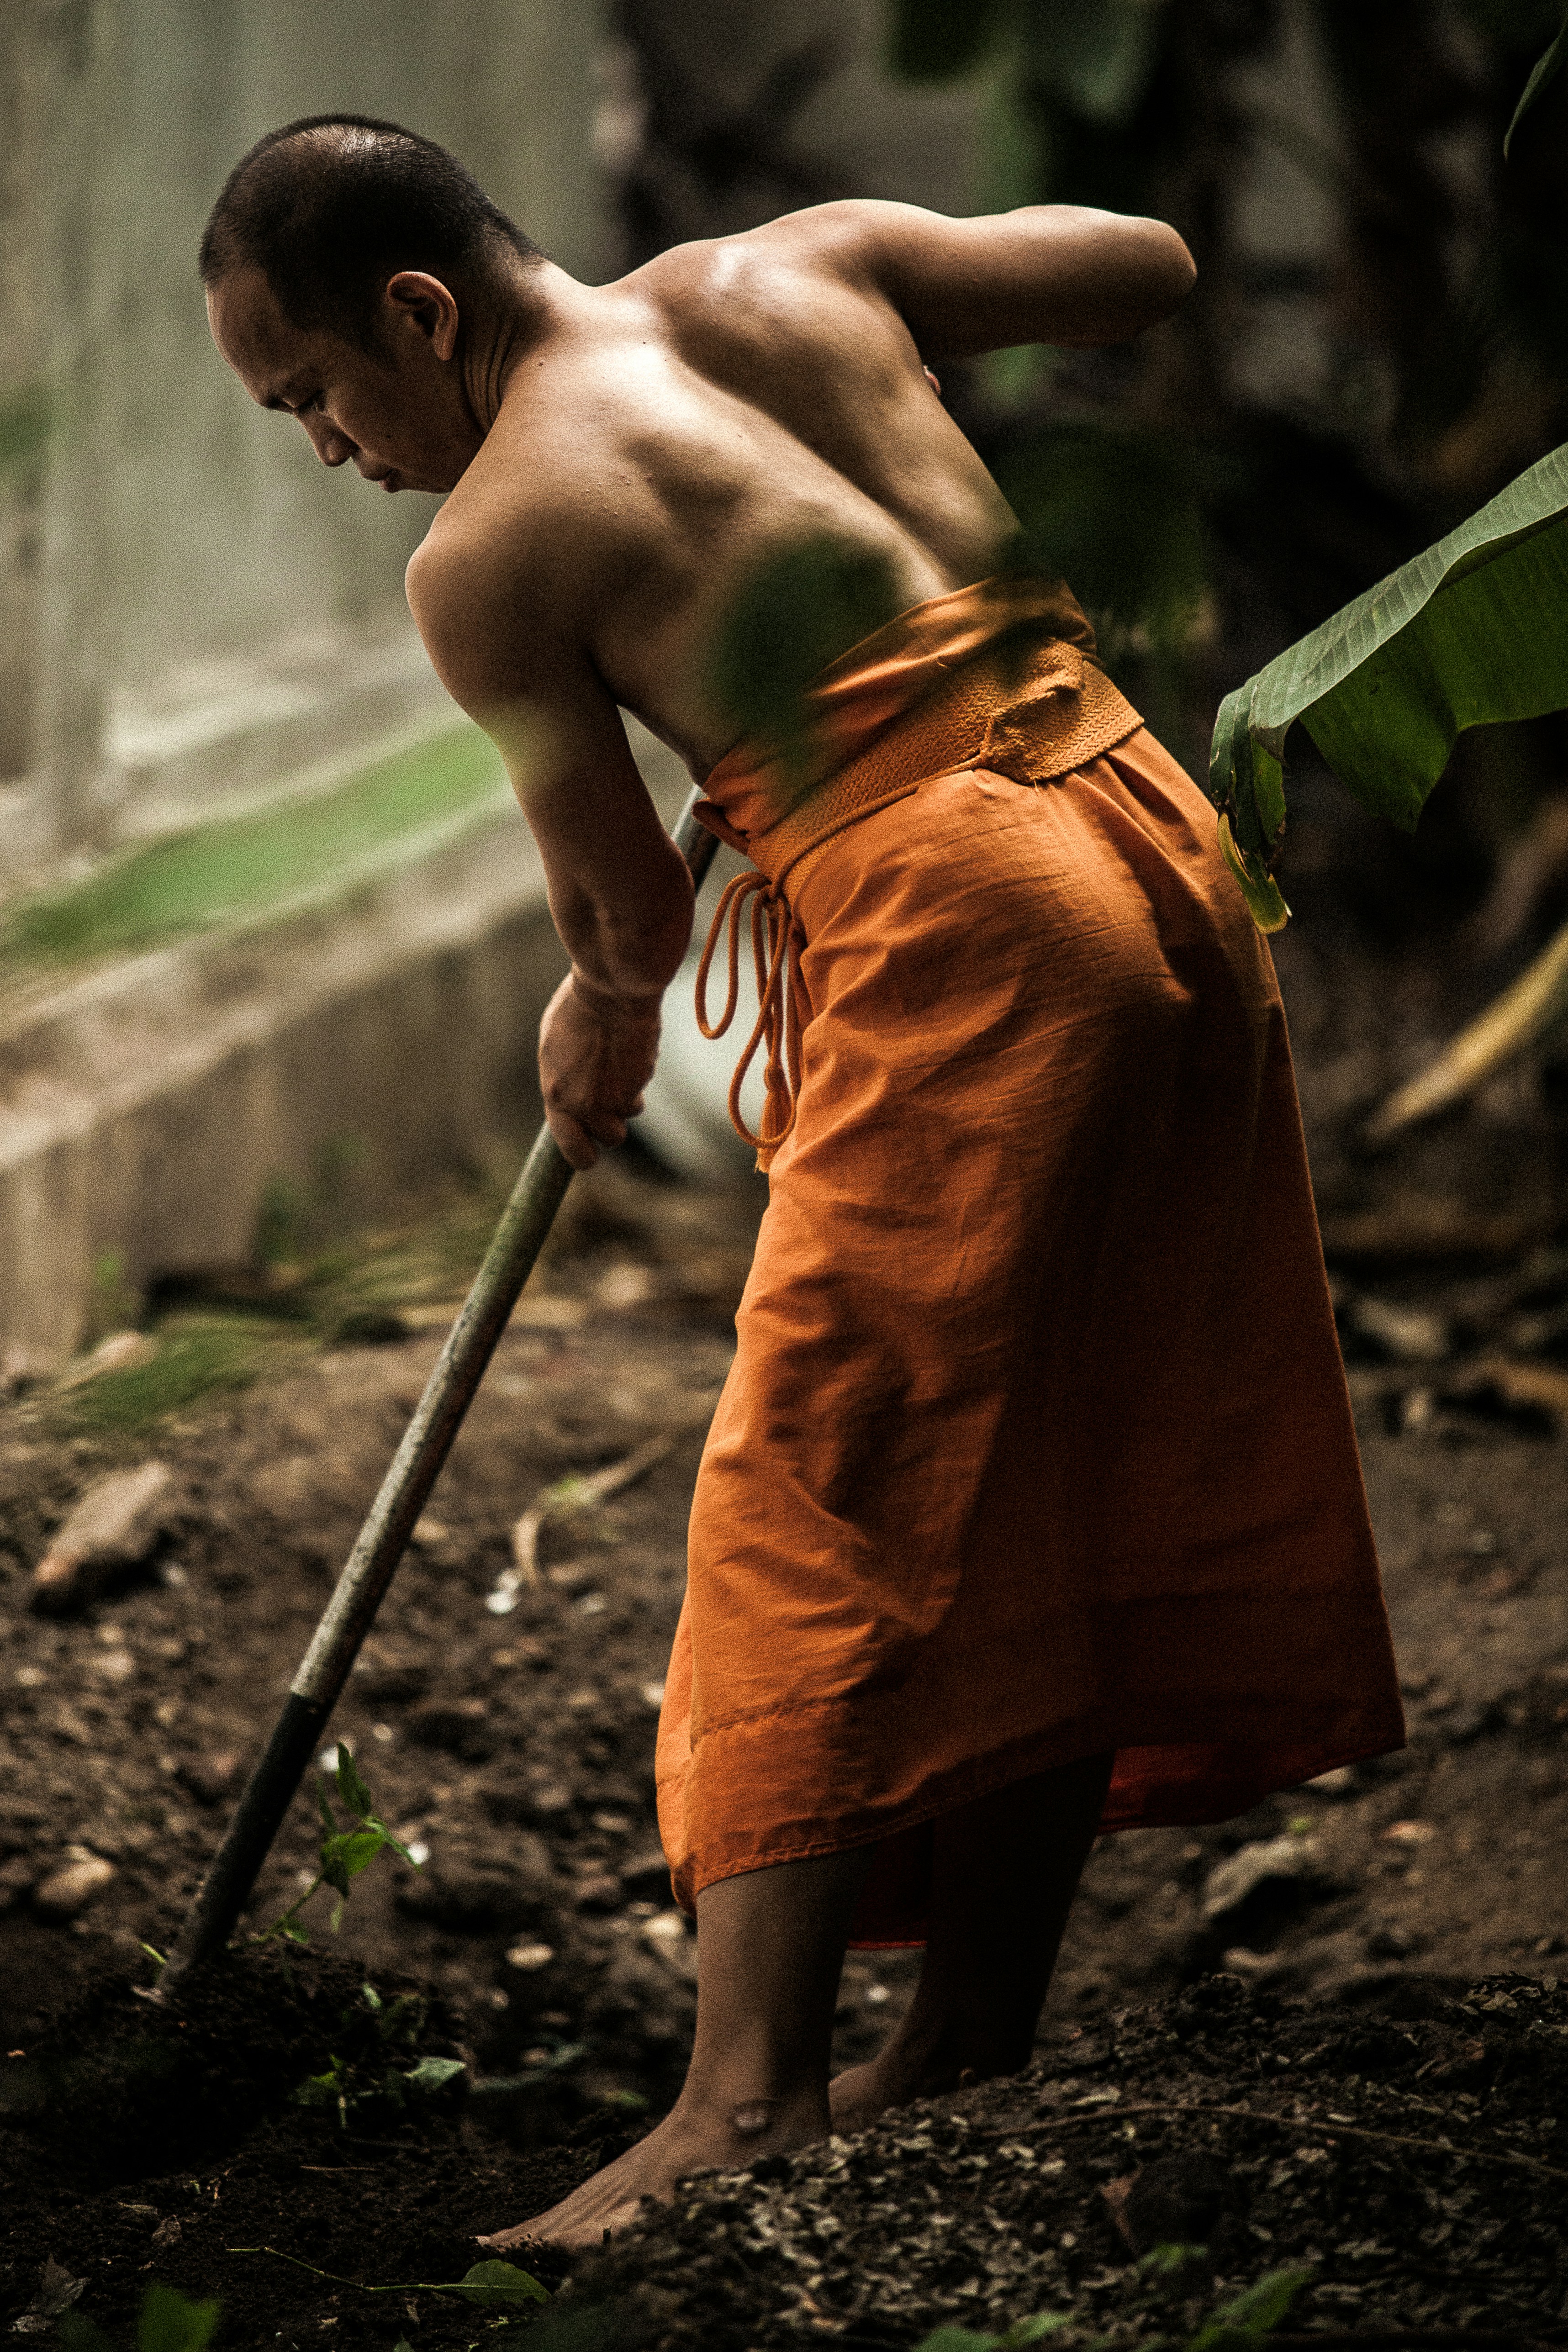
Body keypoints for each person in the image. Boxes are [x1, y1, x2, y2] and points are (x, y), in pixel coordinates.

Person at [201, 116, 1405, 2250]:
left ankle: (745, 2102)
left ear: (419, 313)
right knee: (1056, 1439)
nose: (326, 447)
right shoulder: (791, 275)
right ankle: (962, 2040)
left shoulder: (491, 547)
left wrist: (587, 1014)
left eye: (312, 395)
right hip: (1146, 830)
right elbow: (1145, 262)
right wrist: (894, 333)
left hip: (974, 924)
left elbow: (626, 933)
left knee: (814, 1475)